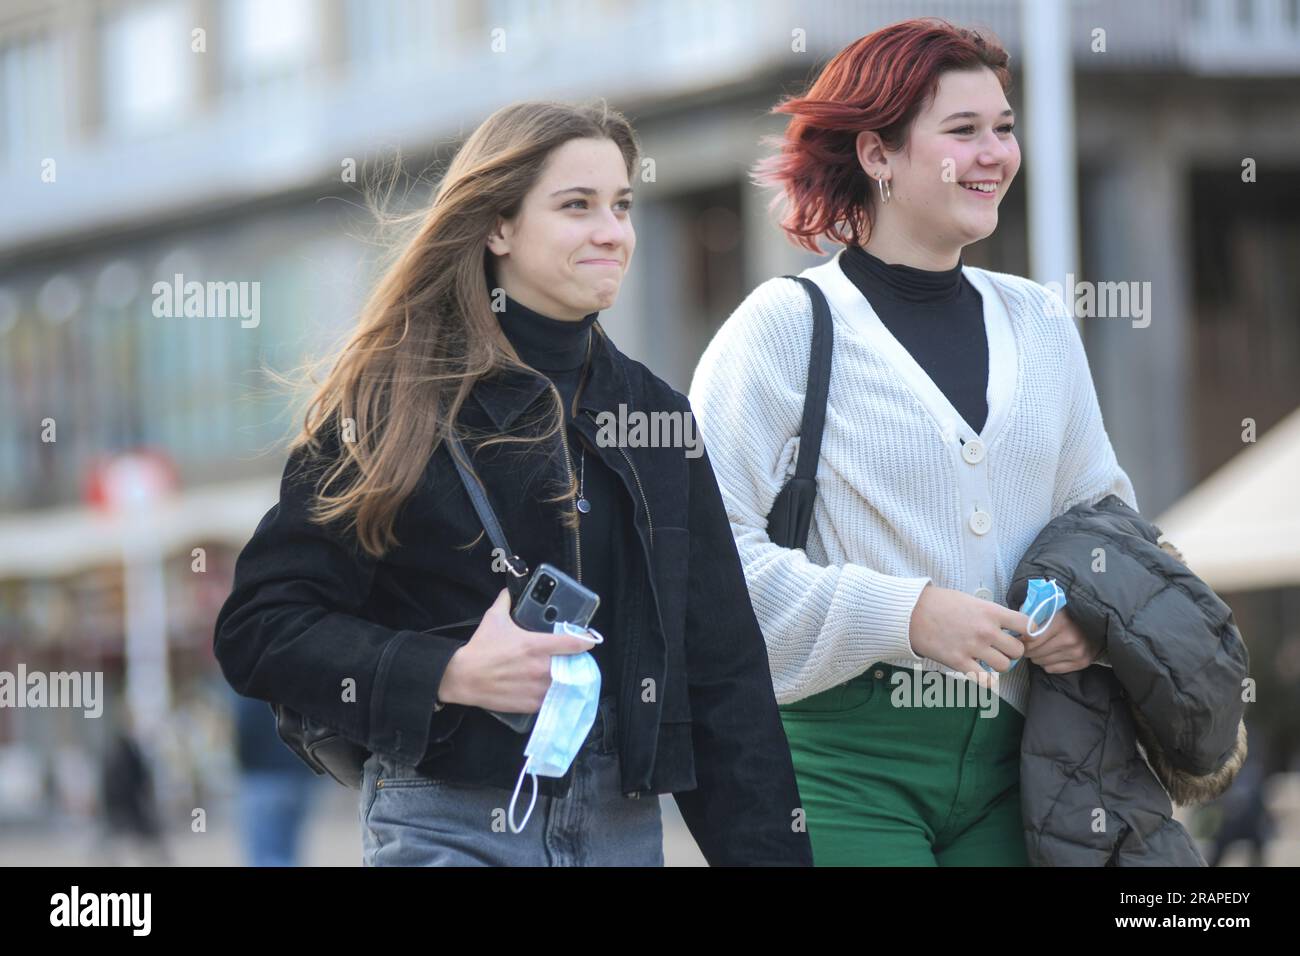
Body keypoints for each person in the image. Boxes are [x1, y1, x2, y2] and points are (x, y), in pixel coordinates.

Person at [214, 100, 811, 867]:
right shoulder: (391, 405)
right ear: (497, 227)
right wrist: (449, 672)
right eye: (577, 206)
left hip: (622, 829)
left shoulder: (657, 416)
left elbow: (725, 678)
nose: (613, 231)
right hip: (445, 821)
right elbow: (260, 627)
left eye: (622, 206)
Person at [689, 18, 1137, 866]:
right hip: (839, 759)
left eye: (1003, 128)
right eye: (962, 132)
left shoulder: (1040, 321)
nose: (996, 154)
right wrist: (906, 613)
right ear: (878, 155)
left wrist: (1087, 611)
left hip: (1023, 758)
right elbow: (706, 563)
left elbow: (1103, 517)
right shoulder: (782, 327)